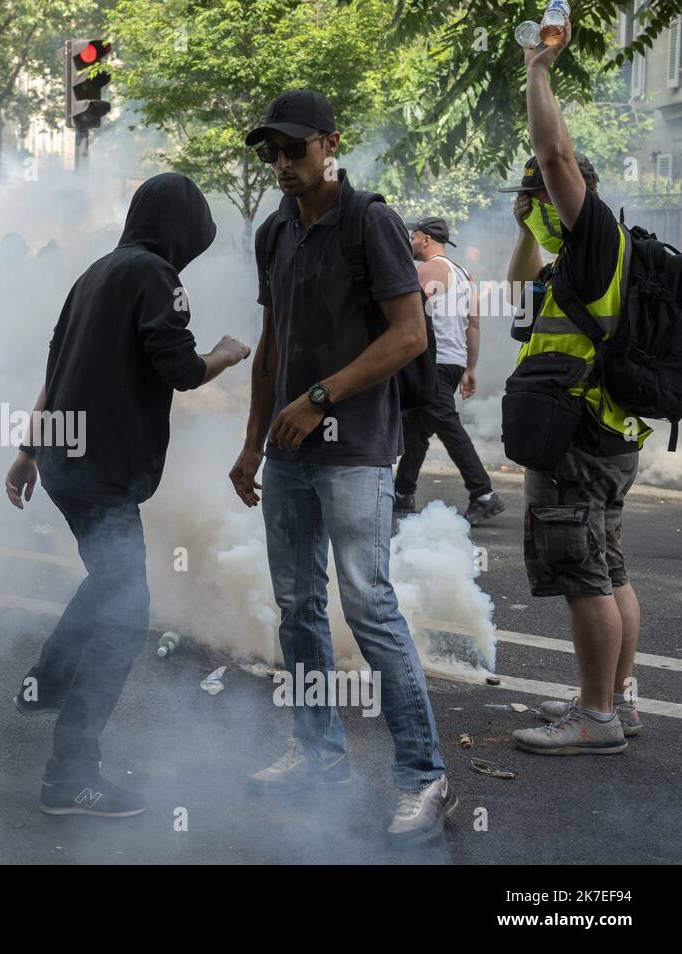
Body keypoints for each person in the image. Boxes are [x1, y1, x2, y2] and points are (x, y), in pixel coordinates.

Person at [229, 90, 455, 842]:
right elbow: (271, 346)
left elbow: (409, 335)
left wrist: (320, 398)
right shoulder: (273, 235)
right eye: (272, 153)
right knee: (297, 607)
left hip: (355, 447)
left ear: (331, 143)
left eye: (295, 149)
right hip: (287, 453)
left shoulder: (372, 222)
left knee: (369, 605)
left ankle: (424, 777)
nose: (283, 165)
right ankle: (318, 752)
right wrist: (254, 437)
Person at [5, 172, 251, 817]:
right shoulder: (156, 277)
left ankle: (45, 682)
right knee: (126, 613)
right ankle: (70, 777)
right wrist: (224, 352)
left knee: (109, 581)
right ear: (183, 230)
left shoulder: (94, 273)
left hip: (64, 465)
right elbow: (183, 370)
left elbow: (57, 370)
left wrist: (30, 450)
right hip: (102, 474)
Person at [503, 25, 645, 755]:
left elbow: (554, 151)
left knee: (583, 571)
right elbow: (517, 307)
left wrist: (537, 71)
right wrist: (526, 228)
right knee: (609, 566)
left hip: (578, 439)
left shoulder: (591, 236)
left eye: (538, 193)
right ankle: (615, 701)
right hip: (604, 436)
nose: (535, 197)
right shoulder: (576, 260)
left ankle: (593, 718)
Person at [394, 215, 503, 524]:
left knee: (446, 423)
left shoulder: (428, 270)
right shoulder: (463, 274)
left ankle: (483, 494)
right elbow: (474, 324)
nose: (409, 241)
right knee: (417, 428)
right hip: (453, 362)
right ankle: (402, 492)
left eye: (412, 236)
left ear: (425, 239)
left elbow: (405, 312)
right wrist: (470, 368)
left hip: (434, 362)